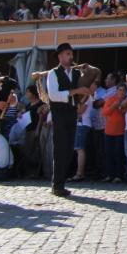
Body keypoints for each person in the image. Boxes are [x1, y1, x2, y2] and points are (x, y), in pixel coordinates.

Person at [45, 43, 88, 195]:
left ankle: (61, 182)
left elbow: (82, 91)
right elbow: (54, 95)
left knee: (70, 149)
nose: (71, 57)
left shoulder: (76, 74)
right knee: (60, 148)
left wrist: (85, 88)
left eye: (71, 54)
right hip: (58, 113)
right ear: (60, 56)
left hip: (71, 113)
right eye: (67, 54)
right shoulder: (53, 73)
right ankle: (57, 185)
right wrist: (76, 90)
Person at [101, 77, 127, 183]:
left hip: (120, 131)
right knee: (108, 154)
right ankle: (109, 175)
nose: (121, 92)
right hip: (109, 131)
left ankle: (119, 176)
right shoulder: (110, 100)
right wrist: (114, 106)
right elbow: (104, 112)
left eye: (123, 90)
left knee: (118, 154)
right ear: (116, 91)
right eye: (119, 90)